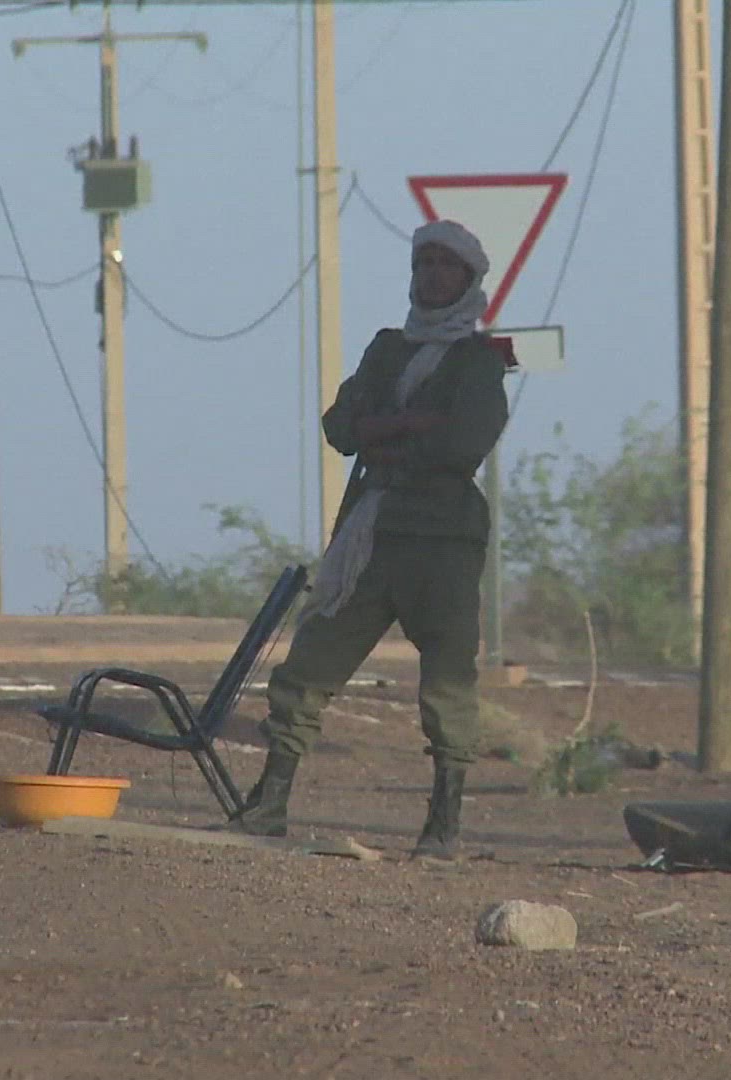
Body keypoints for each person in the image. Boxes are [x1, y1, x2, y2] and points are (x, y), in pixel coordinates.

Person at [228, 219, 509, 859]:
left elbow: (462, 443)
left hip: (441, 541)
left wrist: (385, 431)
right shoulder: (388, 350)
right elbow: (341, 425)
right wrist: (407, 423)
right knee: (308, 667)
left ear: (468, 279)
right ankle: (269, 803)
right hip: (371, 535)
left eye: (445, 266)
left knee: (448, 683)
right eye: (423, 264)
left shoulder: (477, 362)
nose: (432, 276)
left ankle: (443, 824)